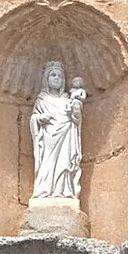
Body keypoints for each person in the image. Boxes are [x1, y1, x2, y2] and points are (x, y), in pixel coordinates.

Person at [27, 58, 85, 202]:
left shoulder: (68, 99)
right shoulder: (42, 100)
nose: (57, 78)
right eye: (53, 75)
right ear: (46, 79)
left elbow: (76, 120)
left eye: (60, 76)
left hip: (66, 136)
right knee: (47, 164)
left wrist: (76, 111)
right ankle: (45, 190)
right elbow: (34, 118)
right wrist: (40, 119)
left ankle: (64, 190)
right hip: (48, 139)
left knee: (64, 164)